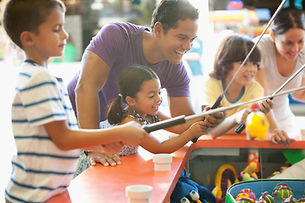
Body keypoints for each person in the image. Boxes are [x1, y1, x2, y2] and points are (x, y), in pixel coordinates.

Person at [2, 1, 147, 202]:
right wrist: (119, 132)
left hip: (49, 190)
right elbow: (63, 138)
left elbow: (54, 138)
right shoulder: (38, 79)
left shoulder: (40, 77)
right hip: (34, 195)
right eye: (56, 29)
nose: (65, 35)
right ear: (28, 38)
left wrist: (100, 145)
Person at [67, 0, 222, 166]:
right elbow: (86, 86)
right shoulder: (117, 35)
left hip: (115, 146)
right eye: (182, 37)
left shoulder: (176, 67)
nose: (188, 46)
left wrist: (206, 117)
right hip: (74, 129)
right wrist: (93, 147)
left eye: (192, 39)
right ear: (158, 29)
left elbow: (180, 121)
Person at [74, 65, 223, 176]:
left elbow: (177, 126)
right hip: (93, 165)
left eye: (159, 92)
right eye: (152, 96)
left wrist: (203, 116)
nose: (159, 99)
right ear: (131, 100)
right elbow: (160, 148)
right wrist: (191, 133)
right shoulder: (130, 123)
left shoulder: (149, 112)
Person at [255, 8, 305, 178]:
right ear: (272, 35)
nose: (296, 48)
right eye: (288, 43)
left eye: (300, 41)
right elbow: (261, 98)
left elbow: (299, 94)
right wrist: (275, 129)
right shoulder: (259, 48)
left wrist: (280, 128)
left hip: (285, 119)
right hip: (257, 120)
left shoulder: (303, 51)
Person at [202, 34, 274, 137]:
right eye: (244, 63)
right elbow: (210, 131)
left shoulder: (255, 89)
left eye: (254, 63)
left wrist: (261, 116)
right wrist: (236, 117)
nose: (252, 69)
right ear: (226, 63)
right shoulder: (211, 85)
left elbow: (253, 131)